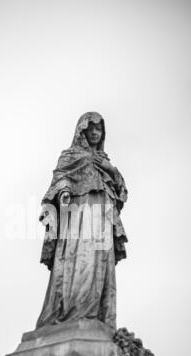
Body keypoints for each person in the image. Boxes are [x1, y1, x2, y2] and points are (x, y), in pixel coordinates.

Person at [37, 112, 127, 336]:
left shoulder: (104, 161)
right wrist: (65, 191)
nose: (96, 133)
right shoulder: (69, 156)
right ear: (82, 131)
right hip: (79, 217)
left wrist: (111, 169)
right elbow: (60, 179)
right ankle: (73, 312)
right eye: (92, 129)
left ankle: (96, 315)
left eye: (99, 129)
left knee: (100, 266)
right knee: (80, 263)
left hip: (103, 219)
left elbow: (122, 192)